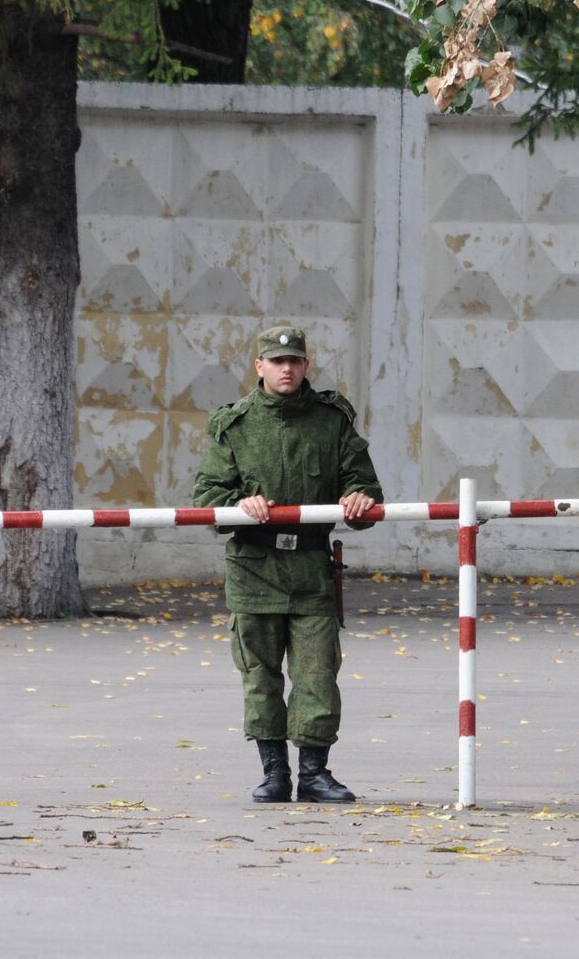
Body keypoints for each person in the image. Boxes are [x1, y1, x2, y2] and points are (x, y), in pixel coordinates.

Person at [192, 325, 383, 803]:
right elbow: (207, 498)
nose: (286, 369)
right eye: (276, 361)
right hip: (254, 568)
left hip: (311, 568)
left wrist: (358, 499)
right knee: (260, 675)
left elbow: (367, 490)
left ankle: (315, 773)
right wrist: (240, 502)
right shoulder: (234, 426)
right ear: (259, 366)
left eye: (294, 361)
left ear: (305, 366)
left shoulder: (331, 420)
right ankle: (274, 771)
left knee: (318, 673)